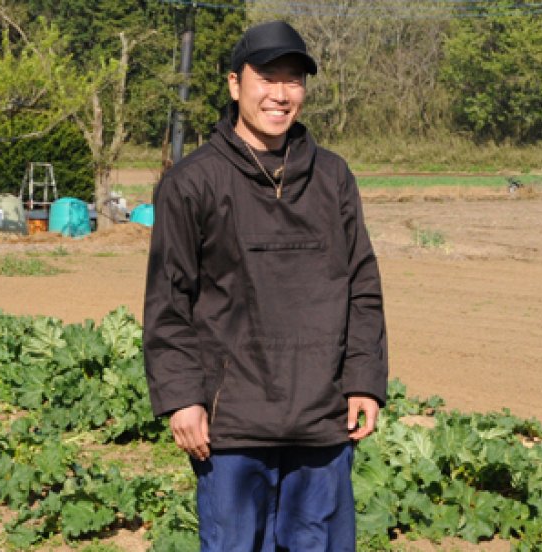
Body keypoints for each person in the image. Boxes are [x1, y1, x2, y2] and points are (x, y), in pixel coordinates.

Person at [143, 20, 388, 551]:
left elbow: (361, 285)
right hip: (232, 427)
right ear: (234, 84)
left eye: (294, 80)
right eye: (267, 77)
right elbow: (168, 302)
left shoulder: (333, 177)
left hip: (322, 419)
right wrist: (183, 398)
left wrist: (364, 379)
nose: (281, 94)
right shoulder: (192, 183)